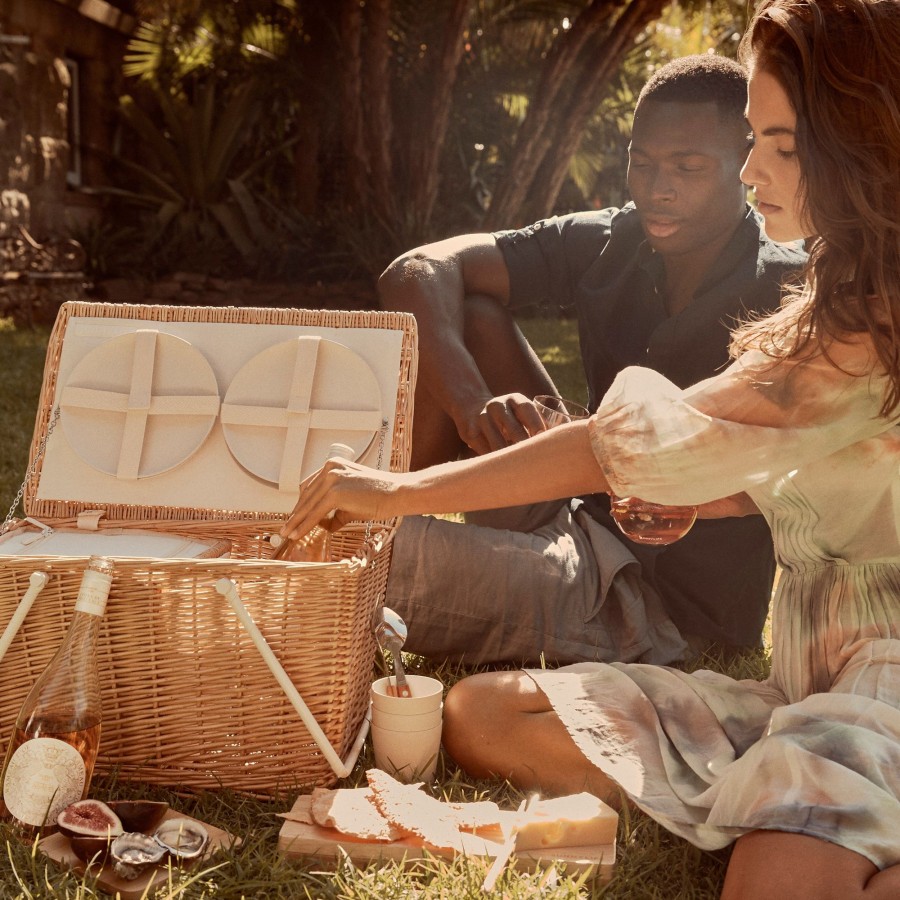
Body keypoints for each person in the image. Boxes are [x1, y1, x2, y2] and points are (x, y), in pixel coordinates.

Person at [281, 0, 900, 894]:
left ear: (867, 148)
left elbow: (623, 446)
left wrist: (393, 491)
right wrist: (706, 493)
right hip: (799, 694)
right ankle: (783, 809)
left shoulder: (865, 328)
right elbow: (829, 480)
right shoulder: (825, 302)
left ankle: (804, 831)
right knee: (483, 715)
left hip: (881, 685)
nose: (752, 162)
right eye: (758, 137)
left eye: (782, 144)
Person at [376, 54, 804, 666]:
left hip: (654, 605)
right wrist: (471, 404)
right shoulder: (612, 238)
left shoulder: (792, 290)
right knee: (470, 313)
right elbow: (416, 271)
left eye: (688, 167)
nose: (658, 188)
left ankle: (396, 537)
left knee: (364, 562)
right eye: (642, 163)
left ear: (747, 166)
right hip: (575, 517)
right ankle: (402, 514)